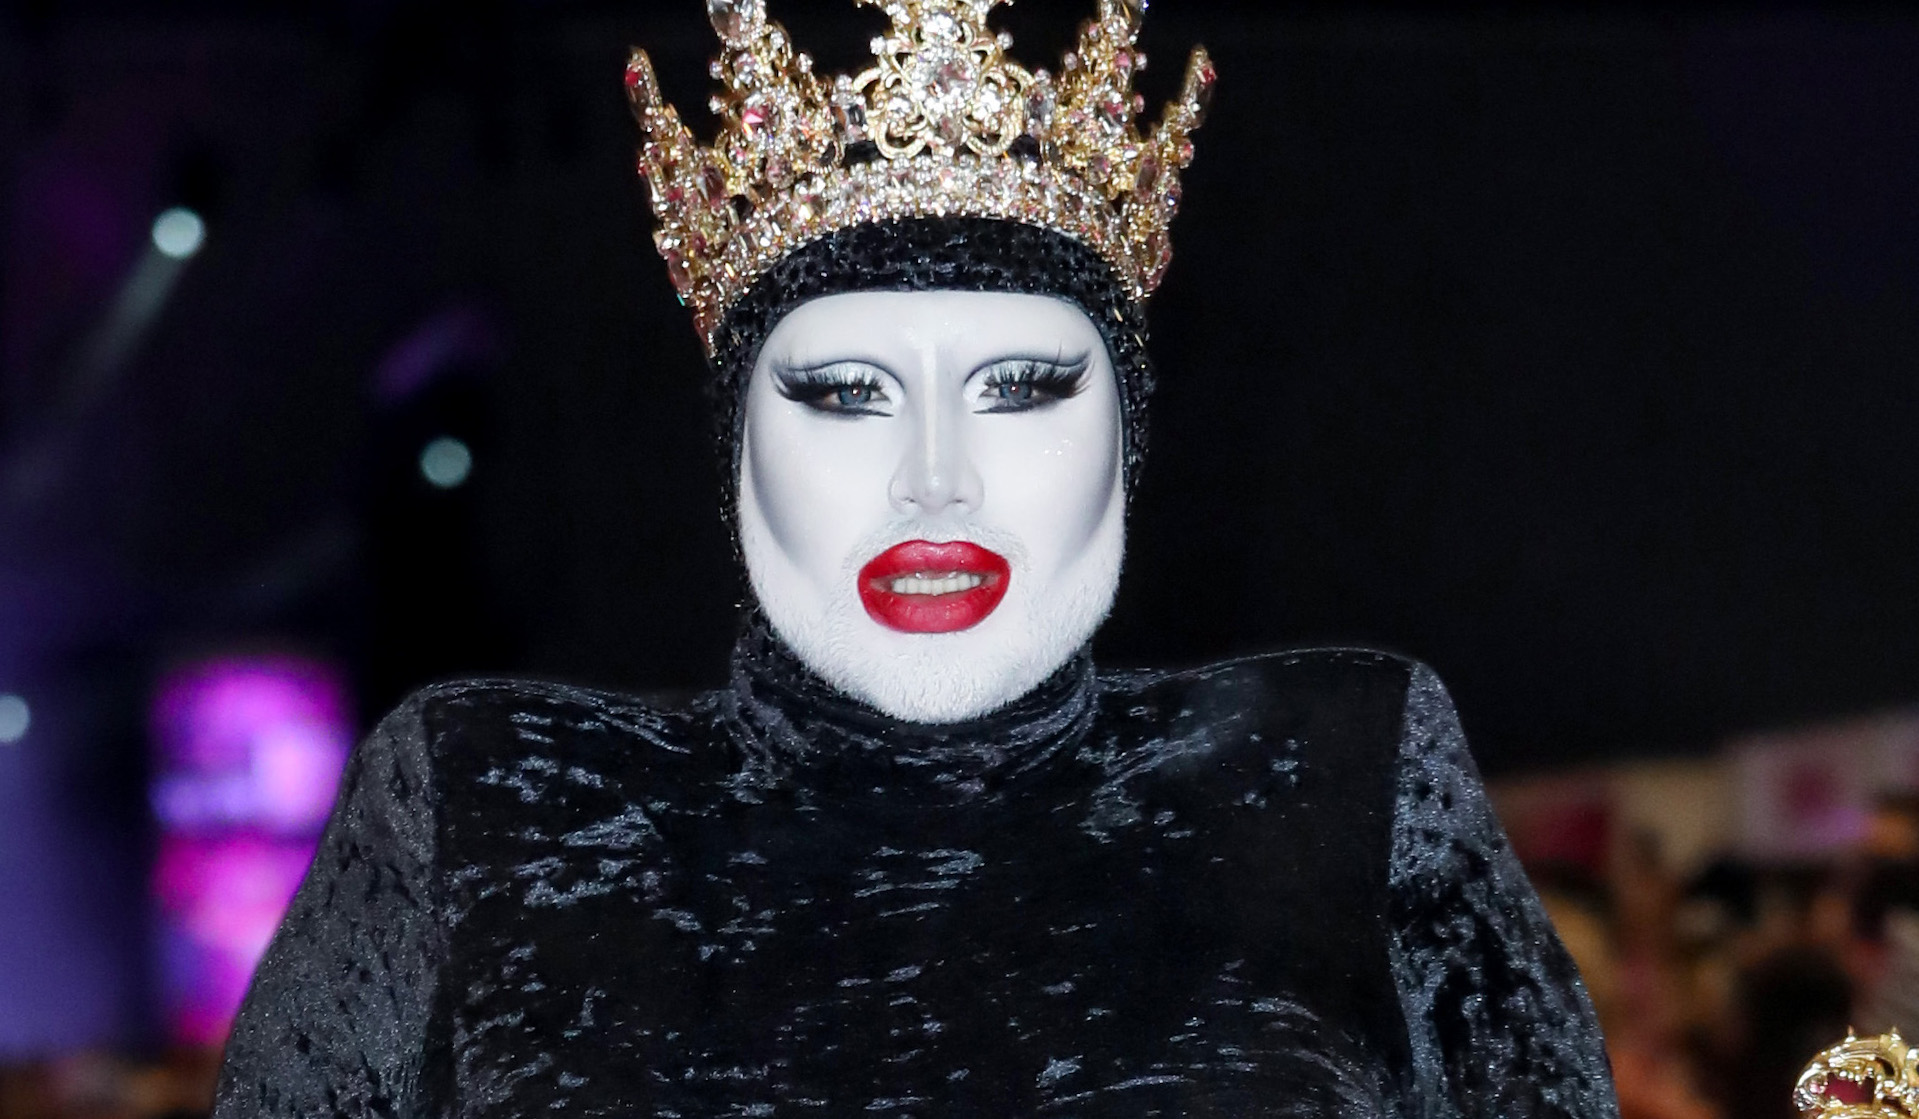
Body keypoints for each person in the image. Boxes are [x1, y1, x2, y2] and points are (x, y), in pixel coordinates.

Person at [212, 1, 1620, 1115]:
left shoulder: (1343, 773)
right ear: (733, 451)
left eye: (1021, 388)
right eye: (842, 394)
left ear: (1126, 440)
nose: (934, 477)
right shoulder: (483, 801)